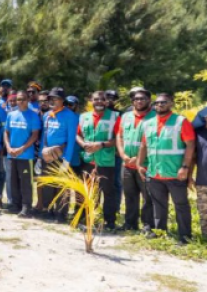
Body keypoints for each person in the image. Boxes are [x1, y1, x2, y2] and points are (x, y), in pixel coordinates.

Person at [137, 93, 196, 243]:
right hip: (155, 172)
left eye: (163, 102)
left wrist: (185, 167)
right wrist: (139, 164)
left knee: (181, 205)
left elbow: (190, 144)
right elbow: (144, 145)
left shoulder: (180, 122)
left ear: (171, 103)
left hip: (175, 173)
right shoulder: (148, 123)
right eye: (157, 103)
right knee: (158, 205)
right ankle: (160, 232)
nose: (160, 105)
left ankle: (185, 236)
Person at [77, 91, 121, 230]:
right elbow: (78, 135)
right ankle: (90, 219)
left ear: (107, 101)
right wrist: (83, 144)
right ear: (91, 100)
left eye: (103, 99)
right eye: (96, 99)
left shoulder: (115, 116)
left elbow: (119, 139)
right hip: (88, 160)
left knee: (108, 192)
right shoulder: (84, 117)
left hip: (106, 160)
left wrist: (101, 145)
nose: (99, 102)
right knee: (89, 192)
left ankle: (110, 222)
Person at [116, 88, 155, 232]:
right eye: (136, 99)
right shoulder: (126, 116)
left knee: (148, 197)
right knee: (130, 196)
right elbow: (119, 137)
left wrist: (138, 159)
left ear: (149, 100)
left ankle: (148, 226)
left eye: (142, 99)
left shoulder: (155, 117)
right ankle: (130, 224)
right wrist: (122, 155)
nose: (139, 101)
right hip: (126, 164)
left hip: (145, 165)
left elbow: (156, 141)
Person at [40, 88, 80, 222]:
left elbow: (71, 139)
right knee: (48, 185)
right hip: (47, 156)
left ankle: (61, 214)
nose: (51, 101)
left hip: (61, 156)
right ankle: (48, 210)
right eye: (50, 98)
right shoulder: (47, 115)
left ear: (62, 100)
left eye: (55, 98)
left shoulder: (70, 116)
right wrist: (41, 156)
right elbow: (43, 137)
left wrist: (66, 161)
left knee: (62, 187)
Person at [4, 92, 41, 217]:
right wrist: (8, 147)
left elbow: (35, 135)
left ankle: (26, 207)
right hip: (12, 154)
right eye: (19, 99)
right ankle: (16, 205)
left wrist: (22, 148)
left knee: (25, 182)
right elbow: (6, 132)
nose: (21, 101)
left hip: (26, 155)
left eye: (23, 99)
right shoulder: (11, 115)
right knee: (13, 180)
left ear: (28, 100)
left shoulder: (33, 116)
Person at [193, 103, 207, 238]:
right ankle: (205, 238)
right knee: (204, 212)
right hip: (203, 180)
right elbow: (192, 155)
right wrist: (189, 175)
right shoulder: (198, 134)